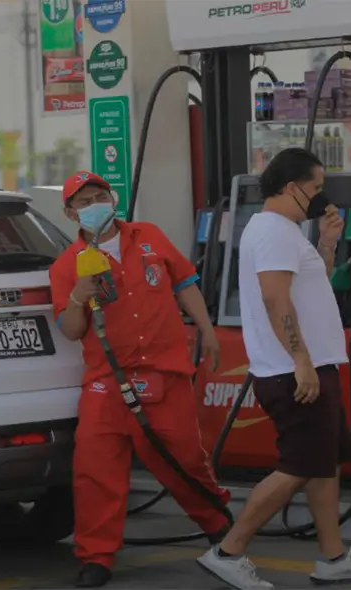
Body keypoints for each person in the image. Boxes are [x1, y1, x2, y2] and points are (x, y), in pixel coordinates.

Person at [196, 148, 351, 589]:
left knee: (324, 464)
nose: (321, 195)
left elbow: (308, 283)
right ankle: (228, 551)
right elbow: (275, 298)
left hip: (310, 367)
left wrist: (326, 243)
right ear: (291, 187)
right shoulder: (272, 232)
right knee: (299, 466)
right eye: (316, 187)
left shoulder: (285, 232)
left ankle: (333, 557)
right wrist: (300, 360)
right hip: (293, 371)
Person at [49, 171, 231, 588]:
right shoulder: (66, 265)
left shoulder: (148, 236)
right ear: (69, 212)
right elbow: (71, 329)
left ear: (112, 198)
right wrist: (79, 294)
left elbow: (185, 282)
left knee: (184, 458)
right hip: (106, 382)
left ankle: (219, 525)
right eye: (83, 201)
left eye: (100, 195)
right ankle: (96, 556)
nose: (94, 204)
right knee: (95, 469)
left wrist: (206, 330)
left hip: (163, 373)